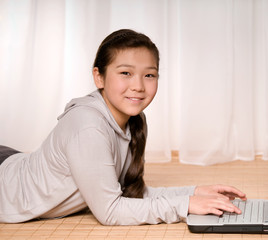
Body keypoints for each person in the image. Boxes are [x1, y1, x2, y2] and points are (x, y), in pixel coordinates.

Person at [0, 29, 247, 225]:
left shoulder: (134, 121)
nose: (139, 85)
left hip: (14, 161)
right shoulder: (88, 126)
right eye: (125, 73)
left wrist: (195, 193)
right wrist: (186, 205)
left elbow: (130, 196)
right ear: (99, 77)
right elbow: (111, 211)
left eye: (149, 75)